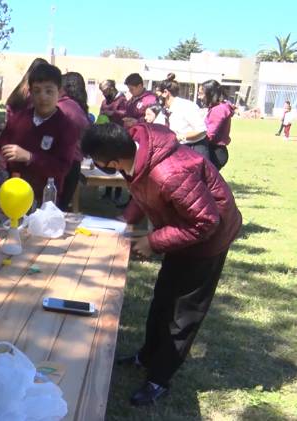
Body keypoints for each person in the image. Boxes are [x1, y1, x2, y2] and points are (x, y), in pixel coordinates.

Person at [81, 122, 241, 406]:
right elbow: (142, 189)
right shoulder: (138, 157)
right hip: (183, 230)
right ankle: (147, 356)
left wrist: (153, 242)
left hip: (208, 240)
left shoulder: (169, 173)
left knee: (183, 314)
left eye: (97, 161)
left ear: (113, 161)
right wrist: (126, 219)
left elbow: (206, 222)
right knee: (163, 300)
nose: (95, 165)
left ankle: (159, 379)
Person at [0, 62, 79, 207]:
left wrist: (30, 157)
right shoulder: (18, 119)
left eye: (49, 91)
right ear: (30, 92)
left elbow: (62, 168)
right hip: (12, 195)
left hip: (44, 200)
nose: (42, 97)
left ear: (60, 92)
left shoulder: (66, 127)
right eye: (37, 91)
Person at [57, 71, 91, 210]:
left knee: (55, 208)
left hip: (64, 163)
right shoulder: (76, 106)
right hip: (73, 161)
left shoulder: (63, 106)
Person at [158, 73, 209, 161]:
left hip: (194, 150)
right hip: (177, 150)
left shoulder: (186, 106)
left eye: (158, 94)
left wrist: (179, 137)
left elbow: (201, 130)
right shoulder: (164, 110)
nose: (156, 97)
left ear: (166, 93)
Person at [99, 79, 127, 202]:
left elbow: (124, 114)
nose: (103, 94)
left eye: (104, 91)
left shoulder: (122, 100)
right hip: (107, 136)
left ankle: (118, 194)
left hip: (119, 136)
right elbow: (101, 113)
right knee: (109, 164)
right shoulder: (105, 102)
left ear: (111, 88)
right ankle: (108, 192)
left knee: (118, 165)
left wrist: (111, 113)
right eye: (102, 92)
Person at [198, 80, 235, 169]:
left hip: (214, 152)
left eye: (201, 94)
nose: (199, 97)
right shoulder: (218, 107)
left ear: (210, 94)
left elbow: (209, 134)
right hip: (214, 150)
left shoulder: (218, 109)